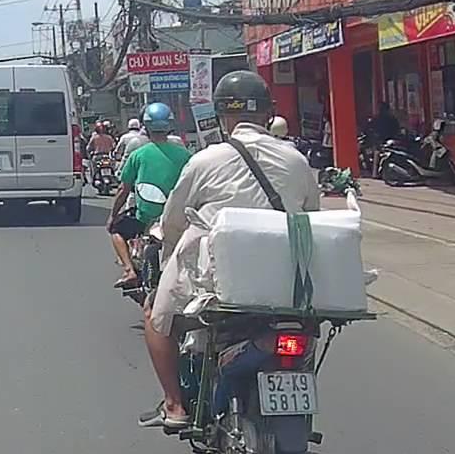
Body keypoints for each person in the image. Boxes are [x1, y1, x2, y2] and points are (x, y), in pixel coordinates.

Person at [138, 70, 321, 428]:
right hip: (287, 279)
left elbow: (173, 222)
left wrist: (168, 258)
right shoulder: (296, 160)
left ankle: (174, 406)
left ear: (222, 116)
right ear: (268, 114)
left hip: (217, 280)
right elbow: (312, 217)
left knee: (155, 318)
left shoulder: (205, 160)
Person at [105, 102, 192, 289]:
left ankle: (129, 270)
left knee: (116, 230)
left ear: (146, 126)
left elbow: (123, 189)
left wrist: (113, 215)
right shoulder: (185, 155)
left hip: (144, 218)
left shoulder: (138, 154)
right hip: (177, 217)